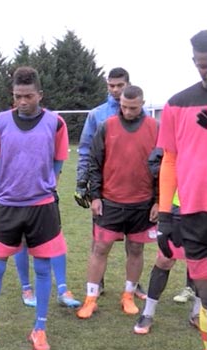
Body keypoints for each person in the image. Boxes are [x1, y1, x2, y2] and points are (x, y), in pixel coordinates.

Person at [0, 66, 69, 350]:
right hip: (8, 206)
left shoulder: (56, 123)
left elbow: (58, 162)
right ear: (13, 94)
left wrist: (48, 183)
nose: (23, 102)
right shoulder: (0, 122)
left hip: (42, 207)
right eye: (18, 96)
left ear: (39, 95)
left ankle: (39, 329)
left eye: (29, 96)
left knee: (43, 269)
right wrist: (2, 180)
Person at [76, 86, 158, 319]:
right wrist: (95, 196)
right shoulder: (107, 126)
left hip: (142, 202)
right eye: (123, 106)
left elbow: (162, 167)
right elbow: (94, 162)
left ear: (142, 104)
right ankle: (91, 298)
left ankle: (128, 295)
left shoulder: (155, 128)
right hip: (110, 202)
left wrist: (158, 201)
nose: (128, 111)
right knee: (100, 248)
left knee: (135, 249)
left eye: (133, 107)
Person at [157, 29, 207, 349]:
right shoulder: (176, 104)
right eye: (203, 64)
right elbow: (169, 162)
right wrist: (164, 215)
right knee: (205, 295)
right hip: (192, 213)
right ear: (194, 61)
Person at [133, 148, 200, 334]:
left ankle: (198, 313)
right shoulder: (183, 126)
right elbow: (160, 161)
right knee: (165, 259)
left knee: (201, 262)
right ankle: (148, 313)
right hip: (179, 206)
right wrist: (165, 212)